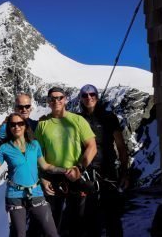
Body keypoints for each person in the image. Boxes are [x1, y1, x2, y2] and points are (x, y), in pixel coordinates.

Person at [35, 87, 97, 237]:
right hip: (53, 178)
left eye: (60, 98)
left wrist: (79, 169)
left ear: (66, 99)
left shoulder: (77, 120)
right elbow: (37, 154)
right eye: (52, 98)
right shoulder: (43, 124)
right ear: (48, 102)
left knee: (77, 223)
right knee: (53, 225)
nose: (56, 101)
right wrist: (42, 177)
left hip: (76, 176)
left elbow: (92, 147)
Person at [78, 84, 129, 237]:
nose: (89, 98)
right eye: (85, 95)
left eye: (92, 94)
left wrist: (125, 172)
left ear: (97, 96)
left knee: (112, 216)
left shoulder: (109, 117)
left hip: (108, 171)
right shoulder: (77, 119)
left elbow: (120, 146)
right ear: (80, 99)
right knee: (91, 218)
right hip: (87, 172)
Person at [0, 93, 38, 157]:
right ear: (15, 108)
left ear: (31, 108)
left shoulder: (36, 124)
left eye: (27, 106)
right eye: (20, 107)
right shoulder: (8, 127)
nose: (24, 110)